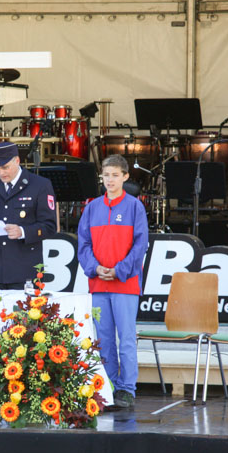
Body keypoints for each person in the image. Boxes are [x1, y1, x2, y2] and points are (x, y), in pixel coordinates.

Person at [77, 154, 148, 409]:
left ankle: (127, 389)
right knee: (103, 340)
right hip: (98, 285)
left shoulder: (134, 207)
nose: (110, 180)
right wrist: (94, 268)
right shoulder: (92, 207)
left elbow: (140, 244)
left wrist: (119, 271)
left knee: (126, 339)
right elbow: (83, 244)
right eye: (106, 175)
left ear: (125, 177)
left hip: (125, 285)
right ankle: (109, 385)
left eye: (115, 175)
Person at [0, 141, 56, 290]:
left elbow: (49, 226)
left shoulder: (39, 185)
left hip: (24, 269)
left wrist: (23, 232)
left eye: (5, 167)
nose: (1, 172)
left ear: (17, 161)